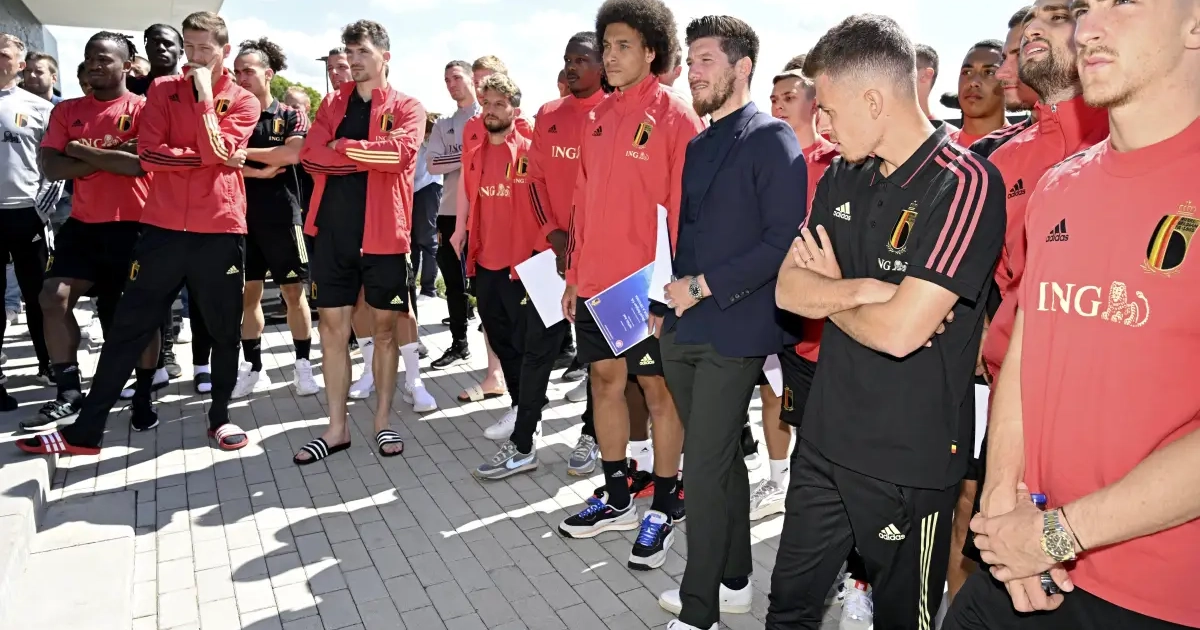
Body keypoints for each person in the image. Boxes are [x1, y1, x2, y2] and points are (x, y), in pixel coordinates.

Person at [947, 1, 1200, 628]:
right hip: (1024, 564)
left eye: (1125, 2)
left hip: (1157, 594)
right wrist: (1001, 505)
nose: (1088, 29)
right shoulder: (1060, 185)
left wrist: (1057, 535)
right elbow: (1027, 355)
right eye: (1085, 8)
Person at [769, 14, 1005, 630]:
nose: (822, 125)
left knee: (905, 619)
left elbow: (901, 335)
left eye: (830, 110)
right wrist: (870, 291)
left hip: (908, 461)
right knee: (788, 607)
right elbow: (789, 289)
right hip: (824, 438)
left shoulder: (964, 184)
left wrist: (832, 294)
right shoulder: (842, 173)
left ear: (873, 100)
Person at [18, 11, 259, 457]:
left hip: (219, 228)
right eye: (190, 46)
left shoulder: (243, 100)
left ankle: (220, 418)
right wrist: (204, 156)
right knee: (128, 328)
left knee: (224, 330)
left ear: (224, 50)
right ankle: (85, 432)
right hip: (161, 229)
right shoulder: (163, 90)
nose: (194, 56)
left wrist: (205, 101)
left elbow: (219, 150)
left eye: (205, 48)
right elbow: (148, 155)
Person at [955, 0, 1110, 605]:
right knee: (978, 532)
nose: (1038, 30)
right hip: (1009, 402)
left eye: (1063, 13)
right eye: (1033, 21)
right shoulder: (1002, 158)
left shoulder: (1131, 133)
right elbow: (995, 280)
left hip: (1105, 416)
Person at [655, 16, 805, 630]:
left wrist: (701, 286)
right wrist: (667, 304)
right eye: (690, 61)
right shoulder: (698, 145)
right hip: (685, 328)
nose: (693, 72)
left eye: (706, 61)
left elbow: (783, 241)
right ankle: (735, 583)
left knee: (703, 463)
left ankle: (700, 612)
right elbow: (687, 239)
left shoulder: (772, 138)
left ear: (742, 68)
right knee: (719, 462)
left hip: (737, 329)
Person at [557, 0, 704, 573]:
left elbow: (687, 215)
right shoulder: (597, 115)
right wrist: (574, 276)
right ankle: (618, 495)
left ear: (651, 51)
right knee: (604, 383)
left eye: (624, 46)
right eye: (607, 46)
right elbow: (581, 205)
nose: (611, 56)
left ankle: (666, 504)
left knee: (659, 394)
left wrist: (667, 293)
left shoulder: (676, 117)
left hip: (645, 289)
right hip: (596, 285)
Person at [295, 19, 429, 465]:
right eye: (348, 53)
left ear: (384, 57)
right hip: (332, 234)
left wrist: (342, 146)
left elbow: (399, 156)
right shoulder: (333, 102)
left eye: (362, 52)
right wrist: (365, 154)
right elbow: (310, 156)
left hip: (384, 235)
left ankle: (383, 420)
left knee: (385, 333)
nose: (352, 61)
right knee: (332, 331)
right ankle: (337, 428)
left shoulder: (408, 106)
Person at [475, 32, 608, 477]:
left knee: (598, 356)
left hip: (603, 258)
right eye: (568, 59)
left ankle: (592, 435)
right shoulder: (549, 114)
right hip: (551, 254)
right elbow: (535, 181)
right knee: (537, 349)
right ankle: (523, 442)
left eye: (582, 59)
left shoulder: (617, 114)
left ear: (602, 65)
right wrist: (553, 234)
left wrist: (585, 242)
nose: (572, 66)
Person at [26, 31, 159, 433]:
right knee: (53, 296)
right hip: (83, 225)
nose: (96, 65)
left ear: (127, 65)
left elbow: (137, 165)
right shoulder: (67, 111)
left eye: (105, 59)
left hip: (136, 225)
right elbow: (52, 167)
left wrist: (80, 150)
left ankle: (143, 395)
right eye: (90, 58)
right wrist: (113, 154)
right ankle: (68, 392)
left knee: (136, 315)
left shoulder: (145, 108)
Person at [463, 72, 542, 477]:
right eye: (486, 104)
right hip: (486, 264)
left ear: (515, 108)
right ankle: (518, 406)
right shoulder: (475, 152)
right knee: (501, 342)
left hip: (521, 267)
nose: (491, 111)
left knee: (526, 345)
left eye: (499, 104)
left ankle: (530, 417)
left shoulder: (530, 150)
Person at [230, 38, 319, 399]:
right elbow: (218, 158)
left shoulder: (290, 114)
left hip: (285, 217)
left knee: (293, 293)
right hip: (240, 219)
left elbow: (293, 154)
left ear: (268, 74)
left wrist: (243, 154)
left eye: (248, 71)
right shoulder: (231, 114)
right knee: (248, 296)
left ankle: (302, 367)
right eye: (237, 72)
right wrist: (259, 168)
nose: (241, 77)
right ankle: (253, 368)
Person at [127, 23, 186, 389]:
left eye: (168, 43)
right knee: (147, 286)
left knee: (176, 285)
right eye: (153, 43)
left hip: (179, 198)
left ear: (181, 48)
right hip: (136, 201)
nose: (160, 48)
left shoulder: (192, 86)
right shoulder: (133, 89)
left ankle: (170, 352)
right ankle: (152, 358)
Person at [0, 33, 58, 396]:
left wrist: (41, 209)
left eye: (3, 55)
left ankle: (48, 363)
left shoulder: (39, 108)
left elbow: (54, 164)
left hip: (27, 216)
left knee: (39, 295)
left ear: (20, 65)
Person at [426, 59, 478, 369]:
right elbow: (433, 165)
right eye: (447, 80)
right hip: (448, 212)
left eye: (456, 77)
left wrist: (453, 156)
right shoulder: (443, 123)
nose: (451, 84)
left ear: (472, 79)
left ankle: (500, 350)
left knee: (487, 284)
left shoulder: (487, 116)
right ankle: (460, 343)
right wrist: (469, 155)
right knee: (453, 282)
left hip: (485, 211)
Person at [968, 6, 1039, 160]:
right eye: (1004, 58)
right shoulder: (985, 152)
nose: (1000, 73)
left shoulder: (1096, 141)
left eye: (1020, 55)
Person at [951, 40, 1008, 148]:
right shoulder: (936, 151)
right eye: (967, 72)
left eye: (989, 72)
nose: (973, 82)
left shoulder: (1025, 148)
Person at [411, 112, 442, 300]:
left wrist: (427, 133)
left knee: (427, 239)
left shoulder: (432, 139)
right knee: (412, 241)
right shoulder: (416, 139)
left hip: (429, 188)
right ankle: (411, 284)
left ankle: (428, 289)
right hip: (412, 190)